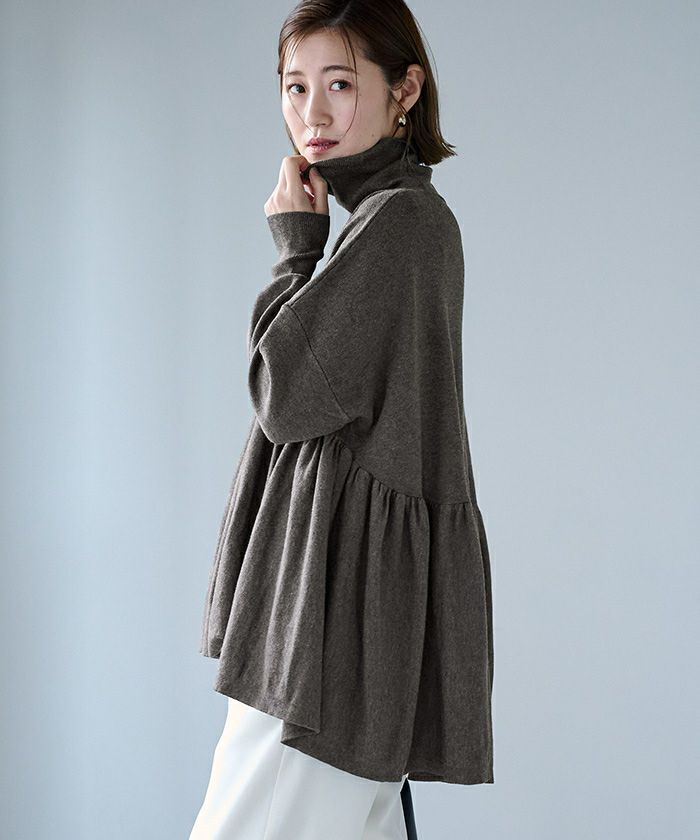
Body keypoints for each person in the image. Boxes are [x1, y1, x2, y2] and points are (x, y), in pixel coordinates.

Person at [191, 1, 494, 837]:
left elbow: (282, 393)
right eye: (295, 87)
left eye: (340, 84)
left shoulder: (398, 226)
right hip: (349, 629)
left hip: (328, 637)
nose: (312, 115)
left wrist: (296, 249)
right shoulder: (399, 222)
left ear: (406, 90)